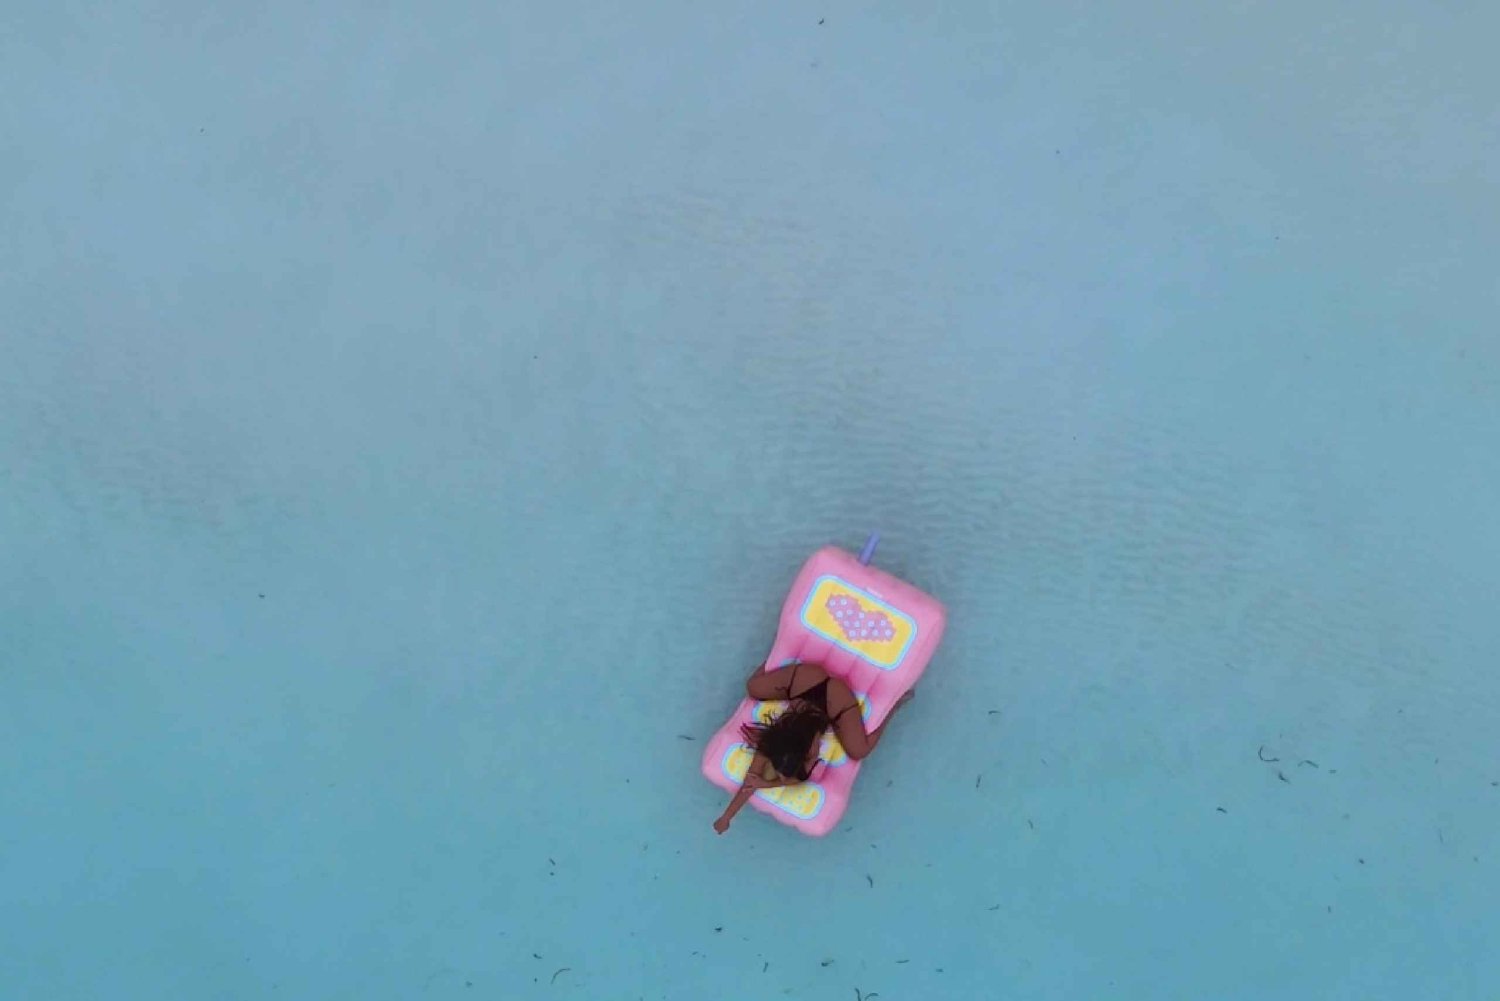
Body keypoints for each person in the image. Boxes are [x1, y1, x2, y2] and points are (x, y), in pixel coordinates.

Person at [712, 660, 915, 835]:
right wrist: (727, 816)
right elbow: (751, 784)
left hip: (833, 701)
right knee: (754, 689)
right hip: (805, 680)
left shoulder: (807, 752)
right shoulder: (774, 741)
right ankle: (774, 659)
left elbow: (796, 781)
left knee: (860, 751)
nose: (780, 778)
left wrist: (766, 785)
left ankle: (893, 708)